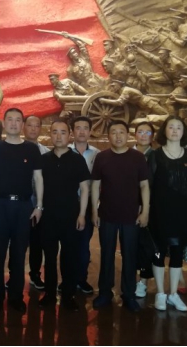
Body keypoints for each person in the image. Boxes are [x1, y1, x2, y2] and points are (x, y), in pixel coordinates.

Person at [0, 108, 43, 313]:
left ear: (22, 125)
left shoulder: (31, 149)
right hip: (0, 204)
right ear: (4, 123)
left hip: (23, 206)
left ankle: (16, 297)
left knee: (19, 253)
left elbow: (38, 178)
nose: (13, 123)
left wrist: (39, 206)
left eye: (18, 120)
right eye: (10, 119)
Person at [91, 121, 150, 313]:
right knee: (106, 255)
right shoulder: (102, 157)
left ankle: (129, 294)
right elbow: (95, 185)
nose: (118, 136)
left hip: (131, 216)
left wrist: (145, 211)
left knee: (130, 256)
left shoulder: (138, 157)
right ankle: (104, 293)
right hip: (107, 214)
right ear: (108, 136)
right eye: (114, 132)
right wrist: (94, 211)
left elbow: (144, 186)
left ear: (128, 135)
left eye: (121, 132)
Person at [148, 116, 187, 312]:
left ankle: (173, 294)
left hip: (183, 211)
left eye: (179, 127)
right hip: (158, 211)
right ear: (164, 130)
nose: (175, 130)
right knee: (158, 251)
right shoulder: (155, 155)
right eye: (171, 127)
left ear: (183, 132)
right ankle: (160, 293)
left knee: (178, 252)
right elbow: (148, 185)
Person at [38, 120, 90, 311]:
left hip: (71, 215)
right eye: (54, 132)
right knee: (49, 257)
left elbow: (85, 189)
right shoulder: (44, 159)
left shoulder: (77, 160)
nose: (58, 136)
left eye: (62, 132)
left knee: (69, 257)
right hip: (48, 216)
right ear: (50, 135)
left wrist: (82, 214)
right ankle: (50, 294)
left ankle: (68, 295)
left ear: (69, 135)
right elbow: (38, 185)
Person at [69, 116, 99, 294]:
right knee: (67, 244)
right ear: (72, 131)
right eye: (78, 128)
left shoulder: (97, 154)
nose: (81, 131)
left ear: (90, 131)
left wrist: (95, 208)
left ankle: (81, 279)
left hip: (87, 205)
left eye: (85, 128)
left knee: (83, 245)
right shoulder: (65, 151)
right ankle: (68, 280)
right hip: (67, 204)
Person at [22, 115, 49, 290]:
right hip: (21, 202)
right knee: (18, 241)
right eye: (30, 125)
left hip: (39, 203)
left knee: (37, 241)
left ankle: (35, 273)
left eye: (36, 125)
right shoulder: (16, 148)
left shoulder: (46, 152)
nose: (33, 129)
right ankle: (15, 274)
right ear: (24, 127)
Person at [133, 121, 155, 299]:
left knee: (148, 246)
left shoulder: (157, 156)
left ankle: (144, 281)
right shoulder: (127, 154)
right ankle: (131, 278)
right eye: (140, 131)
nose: (143, 135)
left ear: (152, 137)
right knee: (130, 245)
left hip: (151, 207)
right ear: (135, 134)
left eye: (148, 133)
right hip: (129, 207)